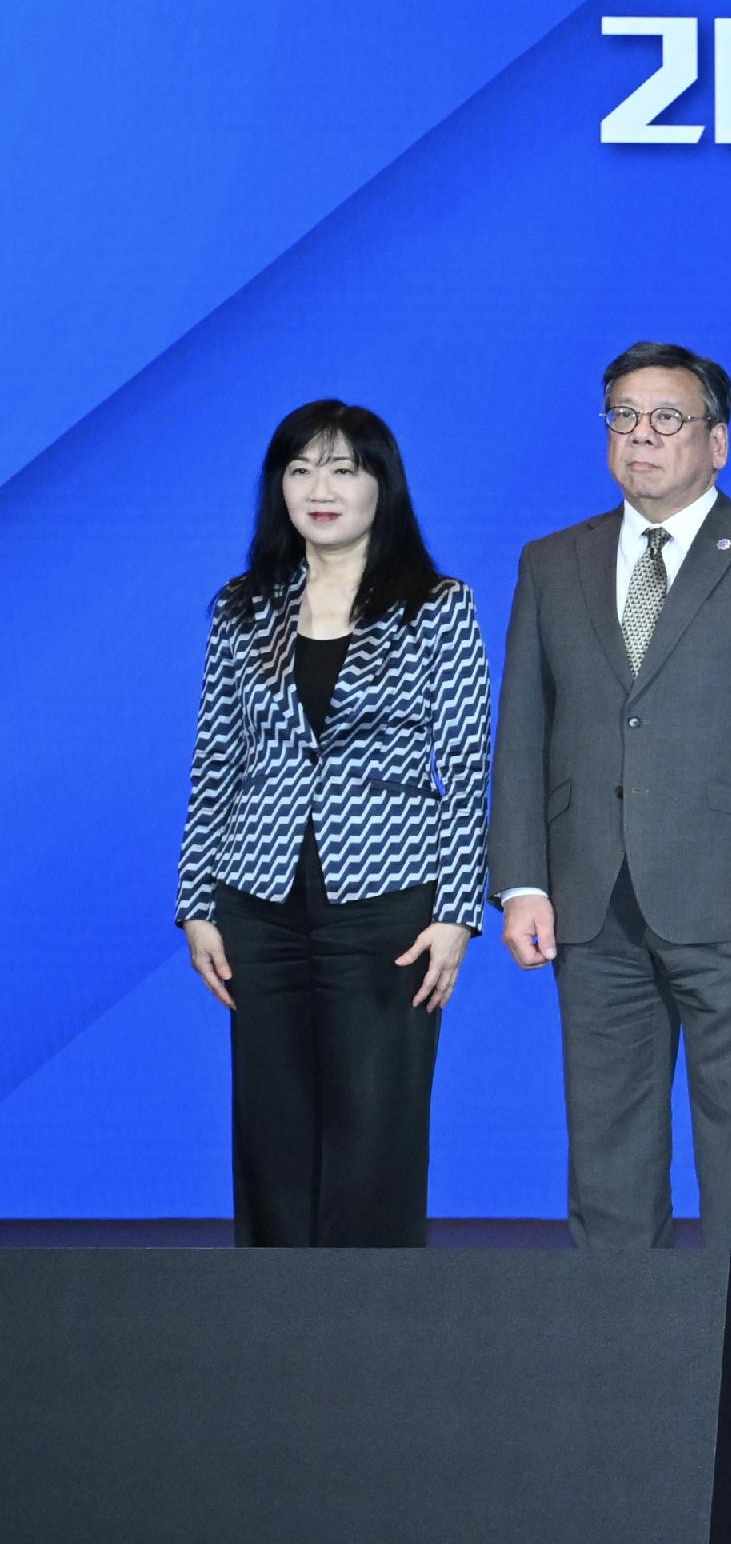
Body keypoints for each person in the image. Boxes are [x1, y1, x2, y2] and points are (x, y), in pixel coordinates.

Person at [491, 342, 731, 1307]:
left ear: (718, 441)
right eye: (622, 417)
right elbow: (523, 730)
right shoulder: (551, 560)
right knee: (605, 1140)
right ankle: (620, 1347)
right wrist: (522, 878)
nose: (640, 437)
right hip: (591, 899)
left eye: (667, 419)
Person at [176, 400, 489, 1248]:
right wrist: (197, 901)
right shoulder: (243, 609)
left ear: (381, 487)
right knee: (272, 1132)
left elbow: (467, 771)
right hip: (256, 900)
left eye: (344, 469)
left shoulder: (435, 605)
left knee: (375, 1131)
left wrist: (457, 913)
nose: (321, 489)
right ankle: (276, 1331)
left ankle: (370, 1339)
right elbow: (217, 761)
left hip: (389, 906)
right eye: (301, 468)